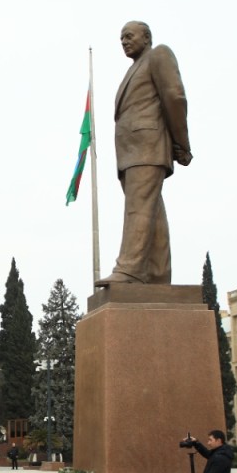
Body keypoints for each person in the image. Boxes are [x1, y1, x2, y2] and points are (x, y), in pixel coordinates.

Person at [96, 20, 192, 287]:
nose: (124, 42)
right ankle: (158, 276)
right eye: (121, 39)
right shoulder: (134, 68)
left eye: (129, 36)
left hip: (147, 148)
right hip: (131, 152)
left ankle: (129, 270)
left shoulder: (159, 55)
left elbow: (175, 97)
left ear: (146, 37)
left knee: (138, 210)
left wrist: (181, 143)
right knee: (152, 214)